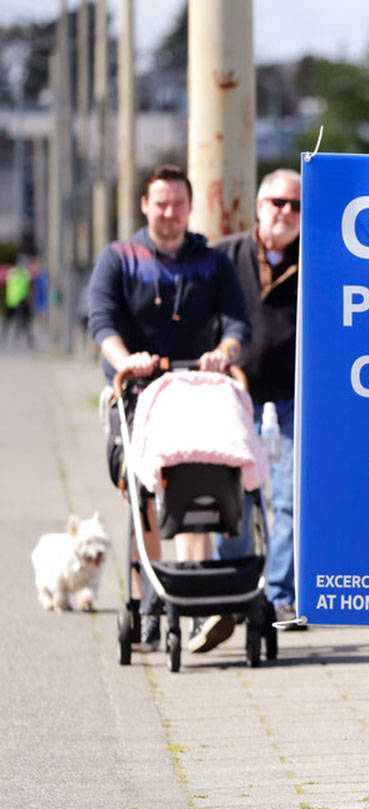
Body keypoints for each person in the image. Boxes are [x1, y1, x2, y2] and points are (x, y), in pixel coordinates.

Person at [87, 163, 250, 653]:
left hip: (197, 391)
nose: (169, 213)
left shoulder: (212, 262)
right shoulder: (118, 258)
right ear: (145, 205)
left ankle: (195, 596)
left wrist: (225, 353)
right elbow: (101, 324)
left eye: (178, 203)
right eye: (160, 203)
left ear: (189, 207)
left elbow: (237, 324)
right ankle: (151, 602)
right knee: (144, 498)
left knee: (198, 484)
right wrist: (127, 361)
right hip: (138, 393)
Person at [211, 169, 304, 640]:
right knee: (232, 491)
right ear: (259, 205)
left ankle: (280, 594)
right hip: (236, 394)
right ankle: (233, 587)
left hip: (292, 396)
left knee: (288, 496)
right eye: (277, 203)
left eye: (295, 205)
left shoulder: (316, 259)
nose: (285, 212)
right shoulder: (226, 255)